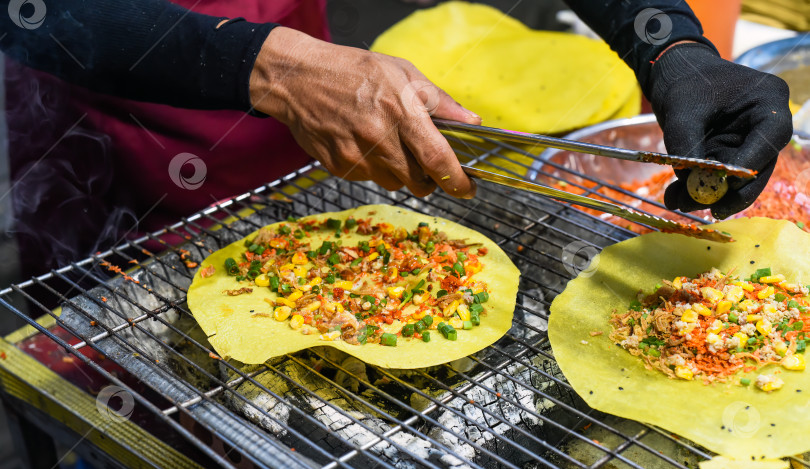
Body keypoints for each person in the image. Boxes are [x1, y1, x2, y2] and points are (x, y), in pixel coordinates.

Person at [0, 0, 791, 279]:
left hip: (295, 120)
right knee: (127, 419)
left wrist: (669, 46)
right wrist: (265, 67)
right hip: (102, 129)